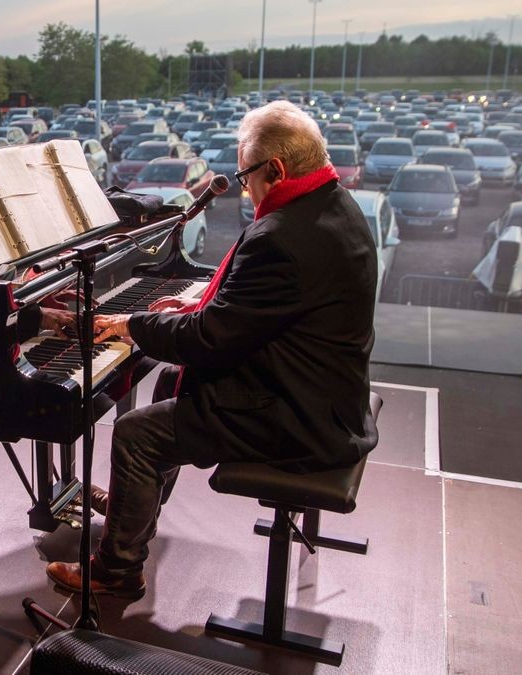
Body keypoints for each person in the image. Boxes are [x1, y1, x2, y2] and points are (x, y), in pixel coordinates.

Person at [45, 100, 379, 598]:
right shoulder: (334, 206)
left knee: (137, 433)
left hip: (300, 419)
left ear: (277, 169)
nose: (245, 189)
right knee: (167, 383)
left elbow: (208, 340)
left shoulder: (281, 239)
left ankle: (118, 571)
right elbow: (258, 309)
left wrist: (127, 323)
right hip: (325, 391)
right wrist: (194, 304)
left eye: (246, 177)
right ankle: (131, 510)